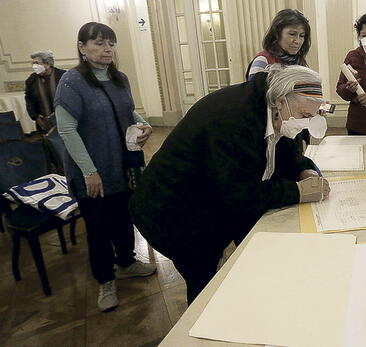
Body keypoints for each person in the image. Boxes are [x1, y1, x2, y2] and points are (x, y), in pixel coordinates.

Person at [130, 64, 331, 304]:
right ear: (280, 101)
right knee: (204, 278)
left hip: (212, 198)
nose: (305, 124)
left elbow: (287, 151)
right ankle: (201, 333)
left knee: (248, 254)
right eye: (304, 116)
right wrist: (297, 191)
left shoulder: (279, 109)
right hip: (171, 210)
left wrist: (305, 170)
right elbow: (239, 193)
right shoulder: (234, 117)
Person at [54, 22, 157, 312]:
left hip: (122, 165)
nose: (107, 48)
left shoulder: (119, 77)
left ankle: (126, 262)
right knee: (99, 228)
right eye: (98, 43)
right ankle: (105, 280)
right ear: (82, 48)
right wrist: (89, 171)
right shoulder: (72, 82)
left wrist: (144, 124)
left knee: (124, 217)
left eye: (110, 42)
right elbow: (67, 130)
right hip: (92, 171)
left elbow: (127, 110)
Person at [246, 9, 311, 81]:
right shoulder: (263, 60)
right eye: (292, 34)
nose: (297, 41)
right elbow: (253, 91)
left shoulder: (300, 62)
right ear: (277, 34)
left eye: (302, 36)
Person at [25, 50, 66, 132]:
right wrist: (35, 117)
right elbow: (29, 100)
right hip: (43, 122)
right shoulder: (31, 80)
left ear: (48, 64)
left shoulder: (63, 76)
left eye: (37, 63)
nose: (34, 66)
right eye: (33, 63)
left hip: (65, 120)